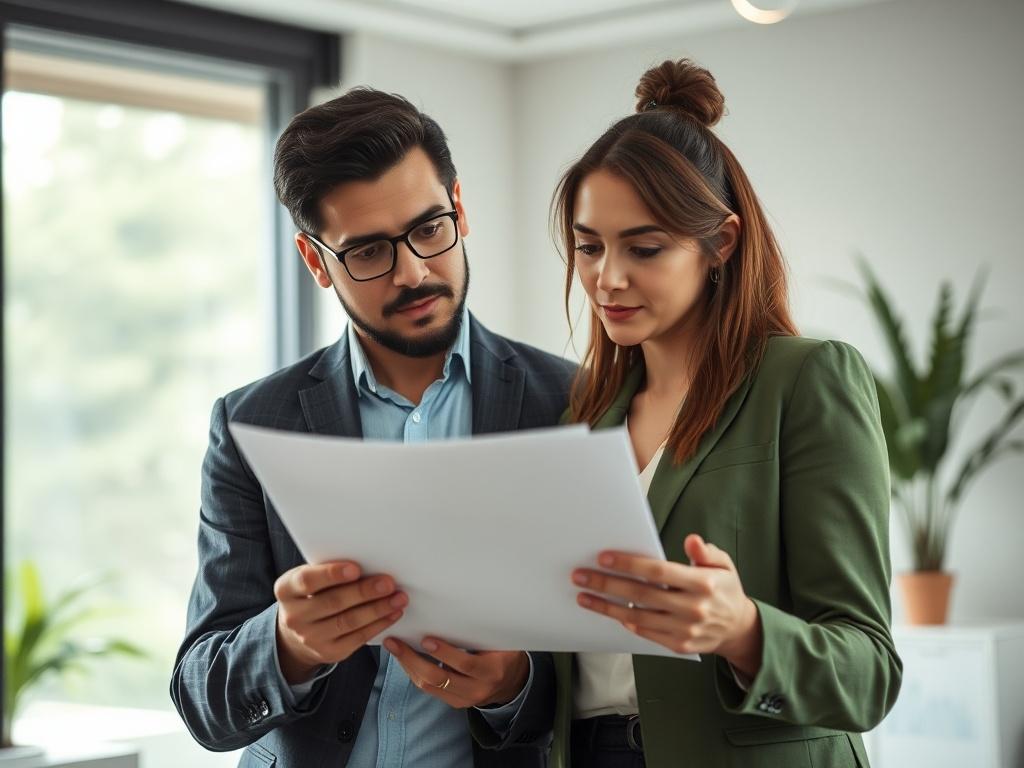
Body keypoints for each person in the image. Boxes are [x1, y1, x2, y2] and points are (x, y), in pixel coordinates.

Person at [170, 87, 573, 767]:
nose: (413, 271)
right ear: (314, 261)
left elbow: (609, 682)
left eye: (429, 228)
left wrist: (513, 685)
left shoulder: (571, 403)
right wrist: (290, 645)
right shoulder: (249, 424)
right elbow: (202, 701)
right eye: (367, 253)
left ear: (461, 209)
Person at [551, 59, 902, 767]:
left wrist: (742, 630)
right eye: (589, 247)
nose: (606, 278)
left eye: (644, 249)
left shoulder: (804, 381)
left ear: (722, 243)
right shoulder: (583, 420)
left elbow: (869, 673)